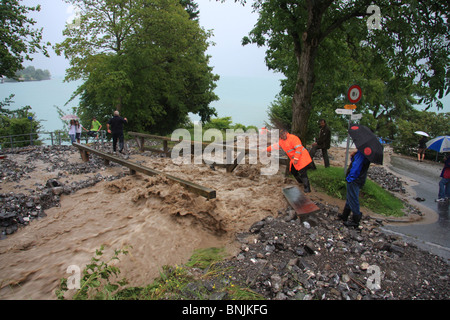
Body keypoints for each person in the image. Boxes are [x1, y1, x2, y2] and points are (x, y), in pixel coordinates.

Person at [267, 128, 312, 193]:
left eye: (282, 134)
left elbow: (298, 148)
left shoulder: (293, 138)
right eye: (280, 135)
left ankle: (307, 189)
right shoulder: (281, 141)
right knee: (293, 171)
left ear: (286, 133)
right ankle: (301, 183)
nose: (282, 136)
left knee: (303, 172)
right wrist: (265, 149)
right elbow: (274, 147)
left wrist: (296, 158)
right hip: (294, 159)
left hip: (302, 157)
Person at [338, 150, 371, 228]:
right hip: (359, 178)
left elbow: (356, 167)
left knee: (353, 198)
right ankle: (344, 215)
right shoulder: (365, 153)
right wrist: (353, 156)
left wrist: (350, 178)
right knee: (350, 197)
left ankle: (355, 220)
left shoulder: (361, 153)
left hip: (355, 179)